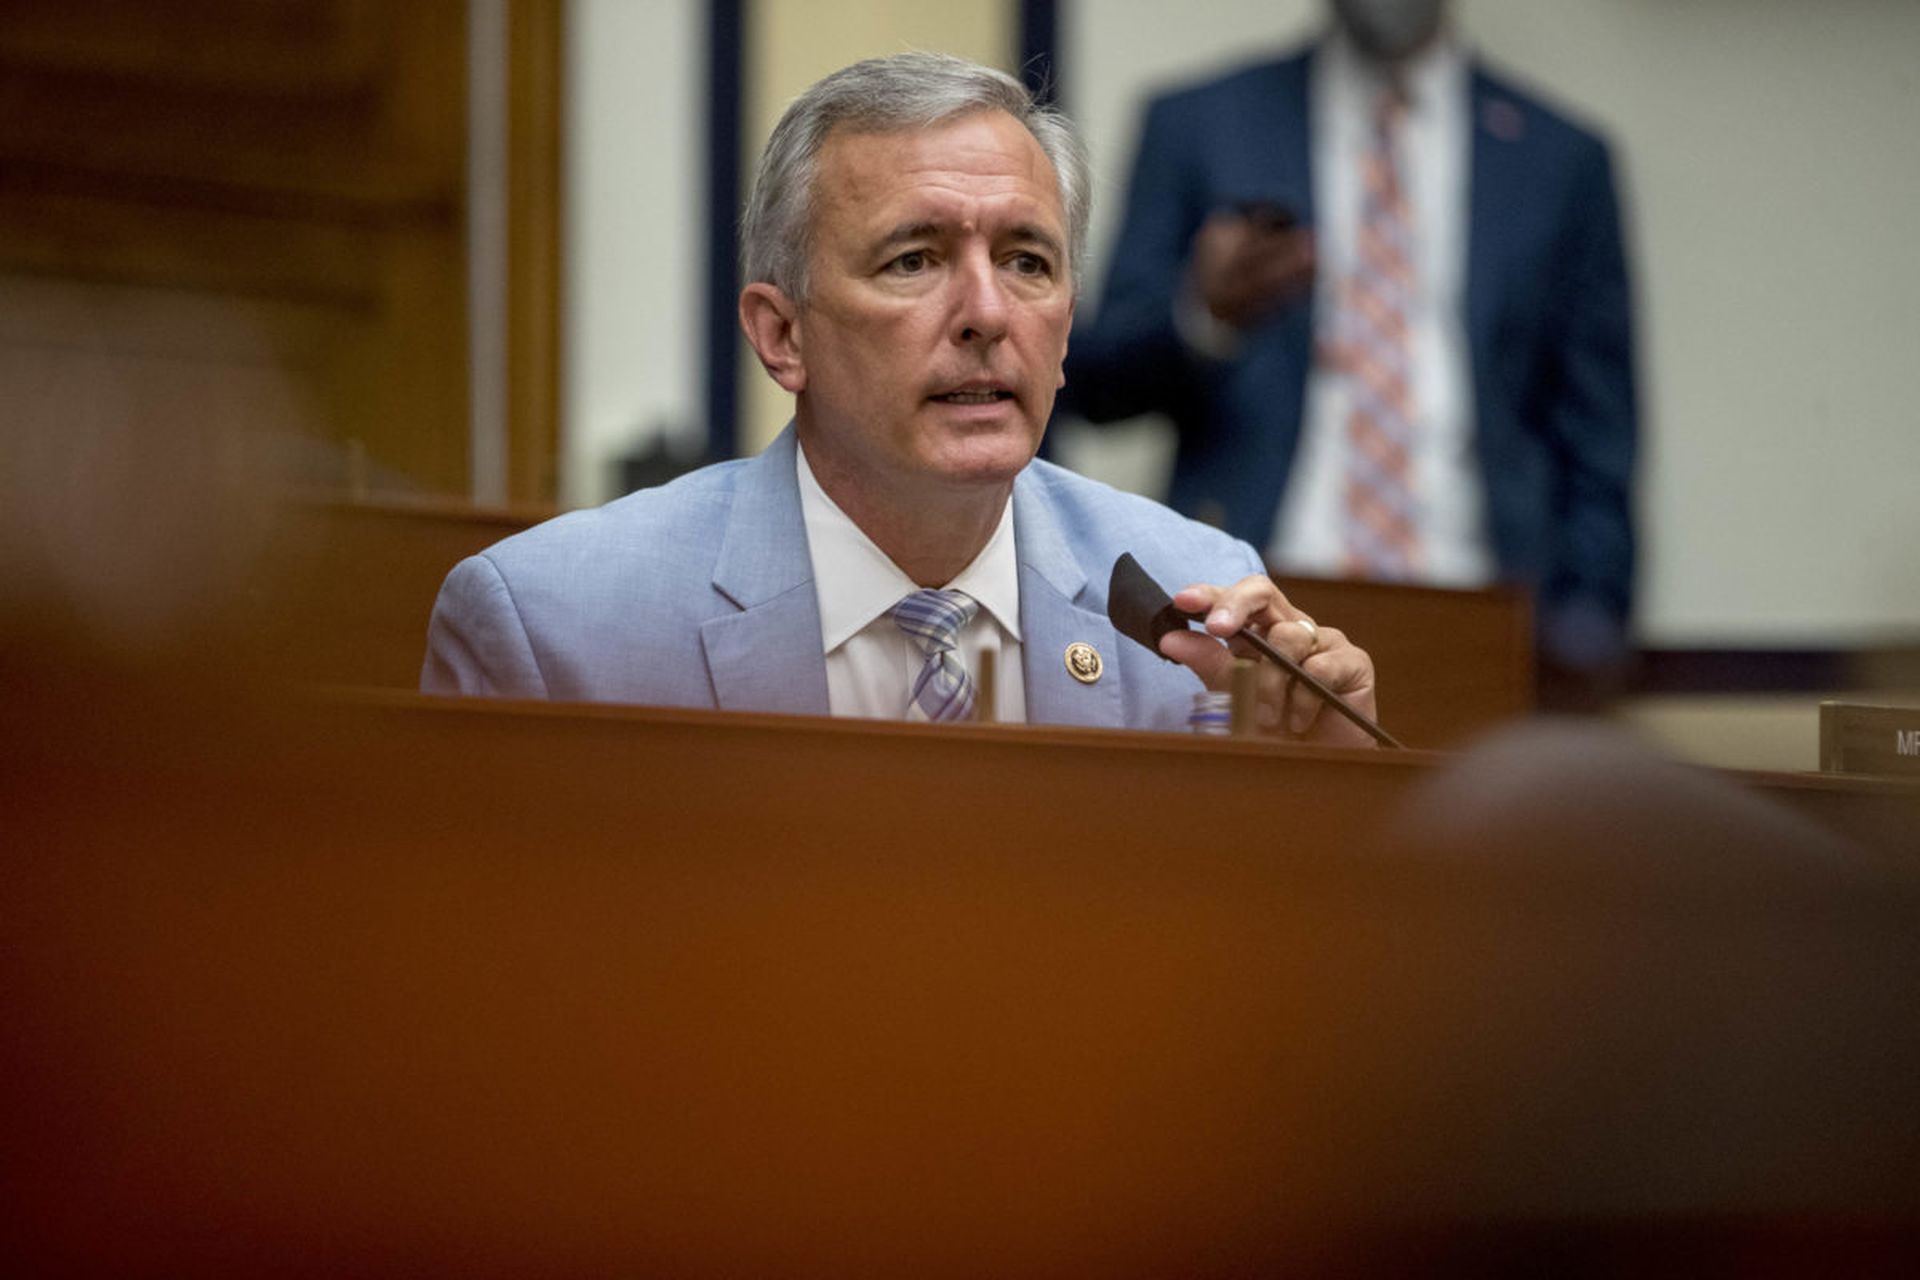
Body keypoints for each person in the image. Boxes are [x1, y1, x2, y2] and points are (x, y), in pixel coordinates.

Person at [422, 52, 1378, 742]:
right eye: (913, 259)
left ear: (1068, 328)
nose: (986, 312)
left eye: (1027, 261)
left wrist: (1322, 799)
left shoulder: (1198, 612)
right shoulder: (553, 632)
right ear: (780, 335)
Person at [1062, 0, 1636, 692]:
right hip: (1253, 599)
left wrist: (1588, 626)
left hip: (1486, 614)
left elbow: (1599, 427)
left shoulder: (1559, 158)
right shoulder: (1203, 121)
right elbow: (1094, 383)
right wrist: (1205, 314)